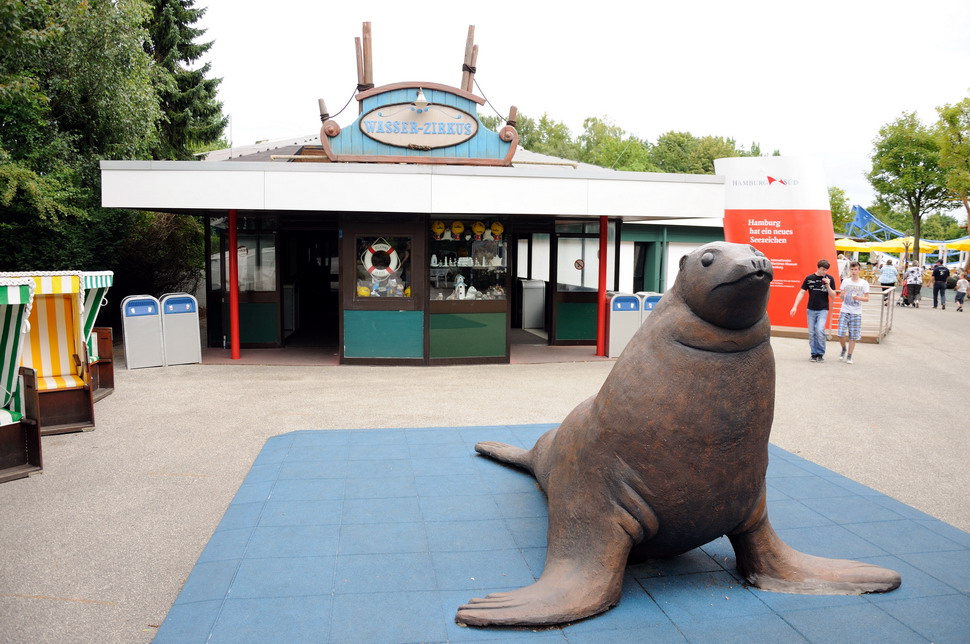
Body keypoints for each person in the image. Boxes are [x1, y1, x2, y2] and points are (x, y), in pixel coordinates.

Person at [789, 259, 838, 362]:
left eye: (826, 270)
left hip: (823, 309)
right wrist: (795, 306)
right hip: (811, 309)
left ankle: (820, 353)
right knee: (812, 332)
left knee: (820, 330)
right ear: (818, 267)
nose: (824, 272)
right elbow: (801, 292)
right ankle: (814, 353)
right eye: (822, 269)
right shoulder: (809, 278)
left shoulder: (830, 279)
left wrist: (828, 285)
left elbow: (833, 295)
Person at [836, 261, 870, 364]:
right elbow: (841, 296)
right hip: (845, 310)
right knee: (840, 333)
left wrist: (857, 297)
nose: (854, 271)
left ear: (859, 270)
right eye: (852, 269)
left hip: (856, 312)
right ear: (849, 270)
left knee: (853, 335)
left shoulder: (864, 283)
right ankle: (843, 348)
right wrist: (843, 295)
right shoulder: (845, 281)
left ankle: (850, 355)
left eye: (856, 269)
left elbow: (867, 298)